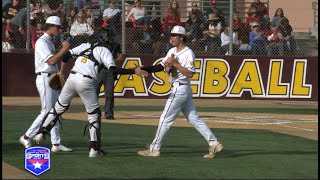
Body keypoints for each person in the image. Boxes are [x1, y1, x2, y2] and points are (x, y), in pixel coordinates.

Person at [31, 29, 148, 157]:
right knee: (94, 115)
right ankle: (94, 149)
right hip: (86, 81)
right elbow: (113, 70)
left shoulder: (85, 45)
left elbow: (65, 56)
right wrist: (133, 71)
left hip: (72, 78)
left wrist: (61, 71)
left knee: (58, 108)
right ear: (106, 39)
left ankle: (42, 132)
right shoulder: (105, 51)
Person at [137, 25, 223, 158]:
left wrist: (175, 64)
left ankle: (155, 148)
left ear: (181, 37)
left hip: (181, 88)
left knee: (164, 119)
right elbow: (160, 66)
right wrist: (145, 69)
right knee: (194, 118)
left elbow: (190, 73)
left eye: (174, 35)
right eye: (171, 35)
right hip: (181, 88)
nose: (171, 37)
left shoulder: (188, 53)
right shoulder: (172, 50)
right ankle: (214, 143)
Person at [19, 16, 72, 153]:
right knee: (47, 112)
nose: (59, 29)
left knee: (55, 111)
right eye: (58, 27)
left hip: (51, 77)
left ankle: (56, 144)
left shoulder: (49, 42)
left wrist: (60, 71)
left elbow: (53, 62)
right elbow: (52, 61)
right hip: (44, 78)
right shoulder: (42, 42)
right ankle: (26, 136)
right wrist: (64, 49)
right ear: (51, 26)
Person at [96, 28, 121, 120]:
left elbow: (120, 57)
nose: (113, 38)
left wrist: (110, 61)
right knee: (95, 91)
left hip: (110, 70)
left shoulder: (115, 45)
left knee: (109, 93)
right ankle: (94, 112)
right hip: (100, 68)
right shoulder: (99, 45)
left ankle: (109, 113)